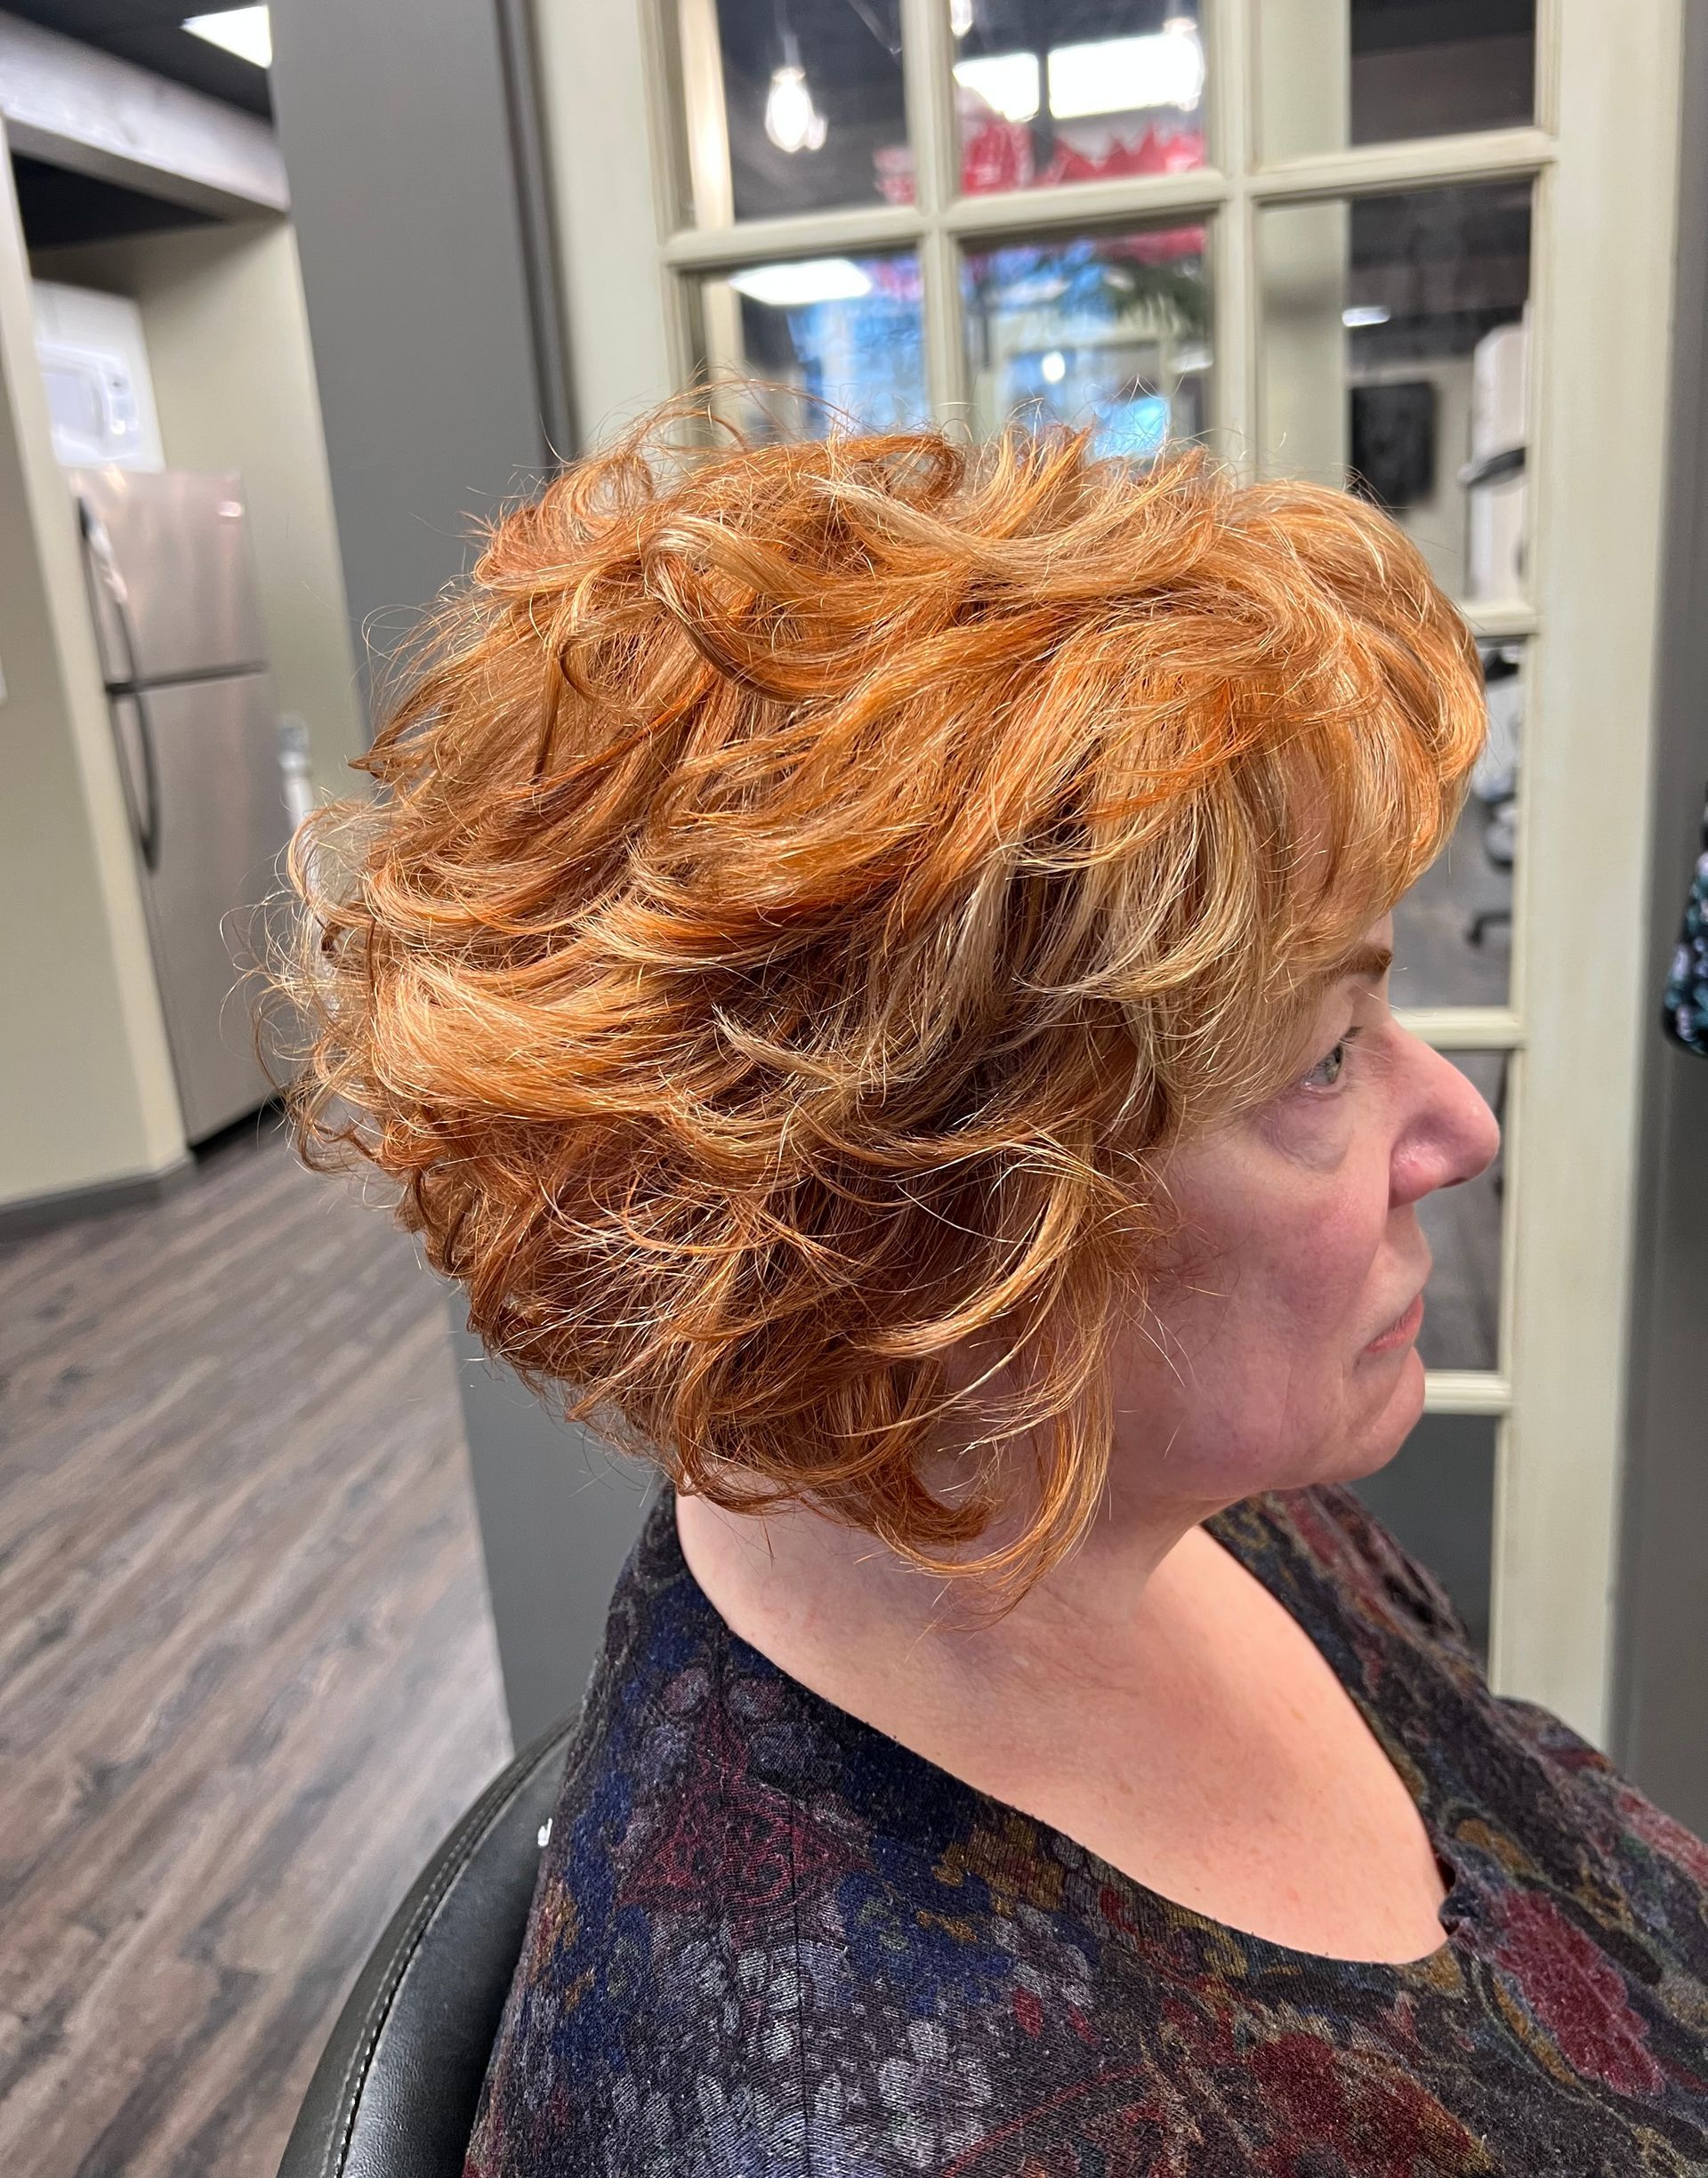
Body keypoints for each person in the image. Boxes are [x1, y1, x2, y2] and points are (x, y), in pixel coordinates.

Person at [284, 413, 1708, 2175]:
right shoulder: (908, 2107)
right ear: (951, 1235)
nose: (1459, 1122)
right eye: (1330, 1054)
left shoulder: (1136, 1488)